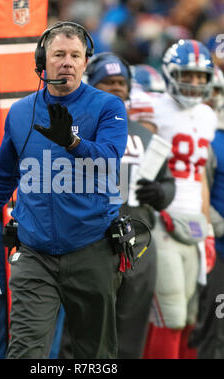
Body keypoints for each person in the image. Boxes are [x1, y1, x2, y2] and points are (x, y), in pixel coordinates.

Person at [0, 21, 128, 359]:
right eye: (59, 54)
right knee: (25, 350)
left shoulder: (108, 107)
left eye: (75, 55)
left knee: (94, 355)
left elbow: (110, 158)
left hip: (91, 246)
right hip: (35, 252)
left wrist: (74, 142)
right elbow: (2, 173)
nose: (67, 62)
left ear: (85, 63)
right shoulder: (21, 111)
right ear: (42, 61)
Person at [59, 52, 175, 359]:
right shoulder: (73, 131)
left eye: (121, 82)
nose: (116, 88)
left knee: (130, 331)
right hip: (89, 243)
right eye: (107, 82)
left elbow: (168, 184)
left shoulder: (144, 134)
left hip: (139, 244)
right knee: (83, 334)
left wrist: (159, 193)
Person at [142, 39, 217, 359]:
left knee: (189, 316)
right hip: (160, 217)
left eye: (201, 77)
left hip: (195, 222)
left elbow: (199, 175)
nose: (195, 83)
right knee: (169, 314)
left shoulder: (207, 115)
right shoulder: (153, 107)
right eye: (188, 75)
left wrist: (207, 228)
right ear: (171, 74)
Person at [188, 65, 224, 359]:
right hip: (211, 245)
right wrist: (218, 225)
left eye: (214, 90)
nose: (209, 96)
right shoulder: (206, 138)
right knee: (208, 326)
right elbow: (195, 188)